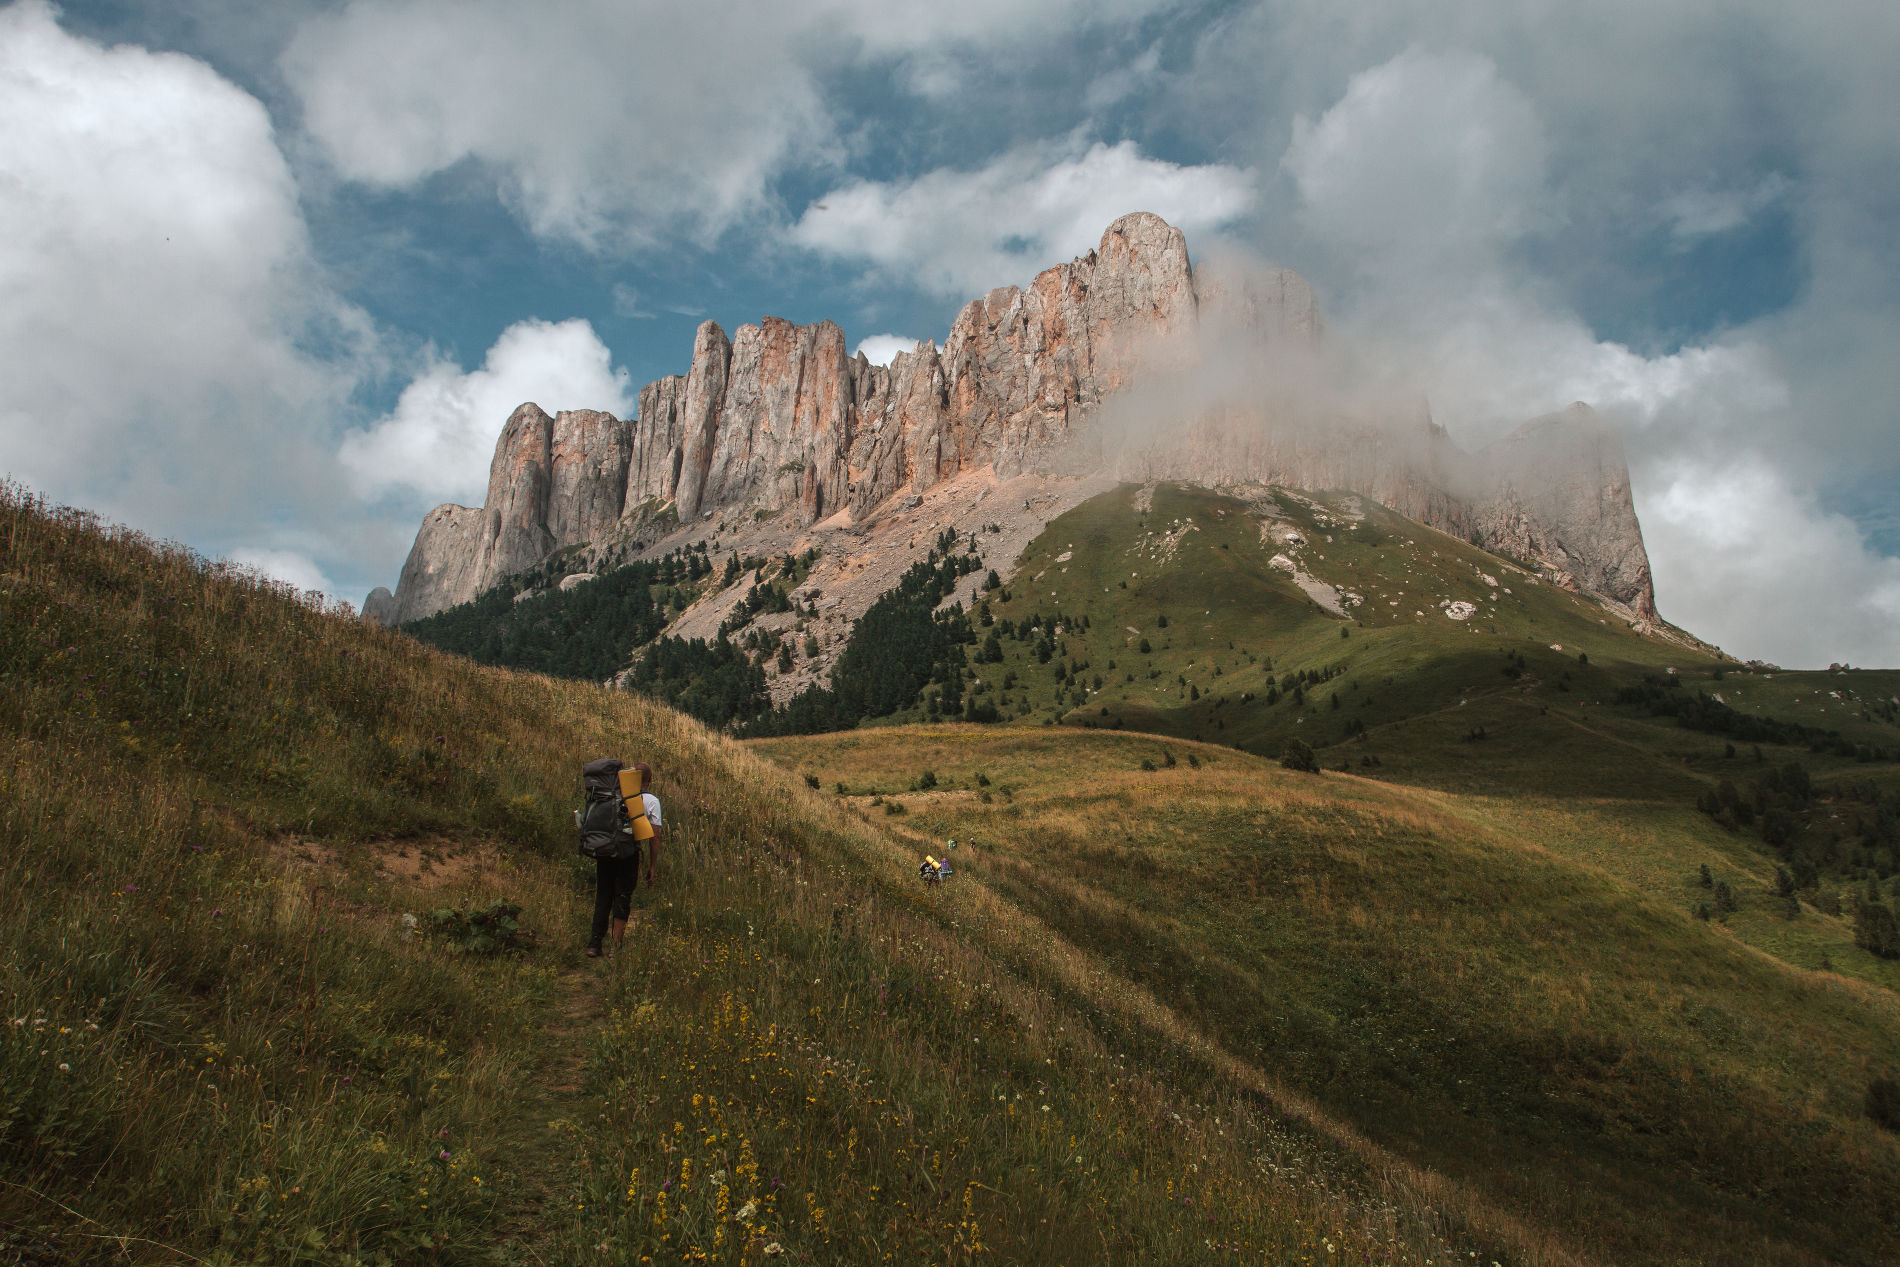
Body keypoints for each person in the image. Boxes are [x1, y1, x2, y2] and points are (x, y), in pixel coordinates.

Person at [586, 761, 663, 957]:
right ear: (650, 779)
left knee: (603, 894)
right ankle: (615, 947)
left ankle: (594, 944)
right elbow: (654, 837)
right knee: (622, 895)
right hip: (628, 854)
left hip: (606, 850)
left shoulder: (614, 795)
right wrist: (652, 866)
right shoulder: (651, 801)